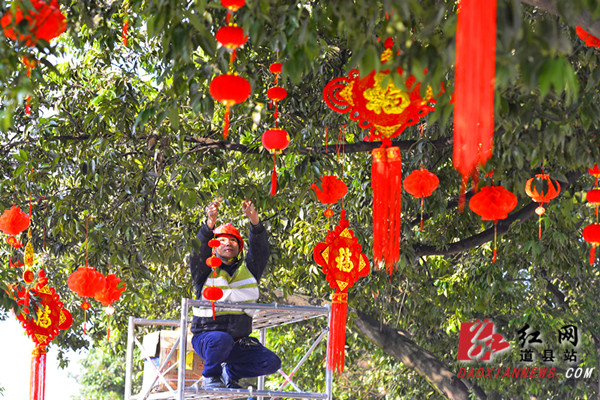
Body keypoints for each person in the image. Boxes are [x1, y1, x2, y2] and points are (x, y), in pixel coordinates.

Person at [189, 199, 281, 389]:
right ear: (214, 246)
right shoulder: (205, 270)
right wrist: (209, 224)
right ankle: (211, 377)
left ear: (239, 247)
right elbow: (198, 252)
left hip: (238, 342)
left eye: (232, 240)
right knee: (220, 339)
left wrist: (254, 221)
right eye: (222, 240)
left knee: (271, 362)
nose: (228, 243)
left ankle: (230, 373)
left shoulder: (249, 270)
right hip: (207, 338)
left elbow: (260, 251)